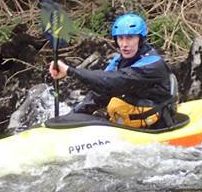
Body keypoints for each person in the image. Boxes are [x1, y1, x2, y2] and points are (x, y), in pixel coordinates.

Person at [48, 12, 176, 128]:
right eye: (120, 38)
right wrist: (70, 118)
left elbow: (112, 81)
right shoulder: (118, 61)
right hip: (130, 123)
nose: (124, 44)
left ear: (140, 39)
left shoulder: (153, 64)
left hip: (158, 126)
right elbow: (100, 92)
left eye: (130, 38)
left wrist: (70, 71)